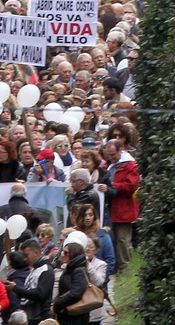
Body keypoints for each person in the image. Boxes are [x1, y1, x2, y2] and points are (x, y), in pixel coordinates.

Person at [98, 138, 139, 268]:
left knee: (122, 239)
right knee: (112, 238)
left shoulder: (131, 165)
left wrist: (112, 186)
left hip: (124, 207)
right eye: (108, 155)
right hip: (110, 207)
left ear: (120, 150)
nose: (111, 158)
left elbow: (131, 186)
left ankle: (124, 266)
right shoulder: (107, 165)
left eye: (113, 155)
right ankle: (114, 266)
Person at [7, 238, 54, 324]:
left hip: (40, 317)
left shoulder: (46, 270)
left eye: (26, 255)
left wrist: (16, 289)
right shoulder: (33, 269)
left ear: (36, 253)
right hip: (30, 316)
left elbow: (40, 294)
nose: (24, 259)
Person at [51, 242, 91, 325]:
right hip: (66, 314)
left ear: (73, 254)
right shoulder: (70, 268)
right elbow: (63, 291)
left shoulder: (78, 270)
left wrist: (57, 305)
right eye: (63, 251)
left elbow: (76, 294)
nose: (62, 254)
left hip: (75, 317)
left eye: (66, 252)